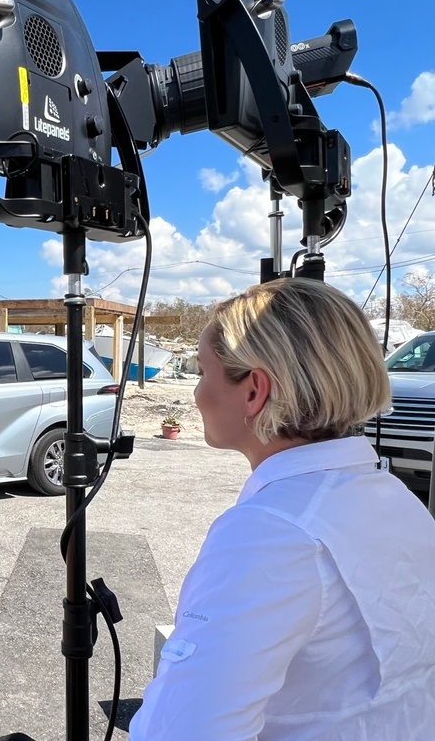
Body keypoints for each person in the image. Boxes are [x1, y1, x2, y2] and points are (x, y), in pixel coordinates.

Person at [129, 277, 435, 740]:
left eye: (203, 372)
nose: (195, 393)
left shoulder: (271, 533)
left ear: (254, 391)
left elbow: (187, 728)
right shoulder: (395, 499)